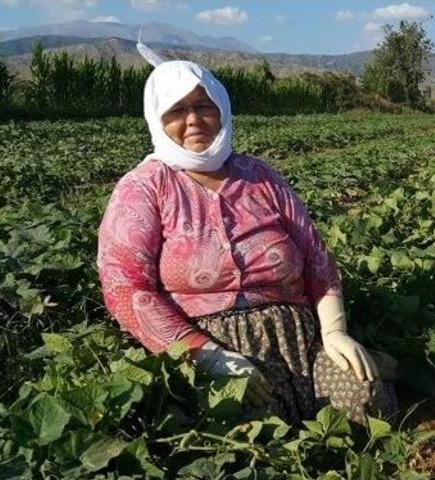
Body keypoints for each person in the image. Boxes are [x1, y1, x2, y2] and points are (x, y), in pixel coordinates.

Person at [97, 47, 396, 424]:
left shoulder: (260, 176)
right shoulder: (144, 187)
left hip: (298, 341)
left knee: (364, 396)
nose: (193, 120)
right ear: (157, 118)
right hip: (210, 352)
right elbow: (125, 288)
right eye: (177, 110)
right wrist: (206, 355)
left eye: (204, 106)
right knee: (247, 429)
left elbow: (317, 258)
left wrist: (335, 332)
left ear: (221, 108)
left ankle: (389, 372)